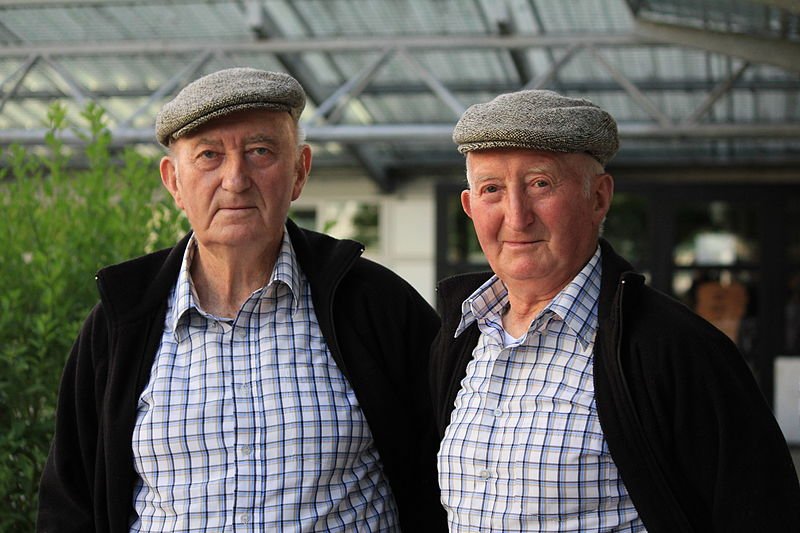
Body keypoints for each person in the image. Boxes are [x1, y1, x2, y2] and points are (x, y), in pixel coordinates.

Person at [37, 67, 446, 532]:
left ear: (299, 171)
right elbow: (67, 503)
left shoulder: (375, 305)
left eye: (260, 152)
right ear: (173, 182)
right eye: (209, 156)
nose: (235, 179)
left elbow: (448, 480)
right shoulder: (120, 323)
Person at [430, 89, 800, 532]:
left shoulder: (677, 349)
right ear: (470, 208)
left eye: (540, 184)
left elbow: (762, 513)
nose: (517, 215)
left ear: (599, 198)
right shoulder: (462, 337)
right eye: (493, 189)